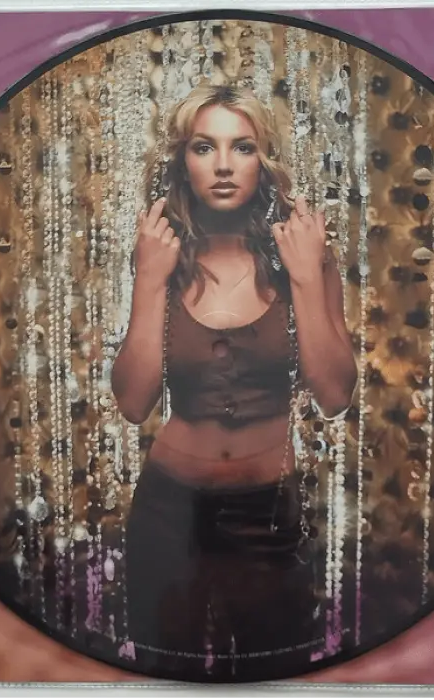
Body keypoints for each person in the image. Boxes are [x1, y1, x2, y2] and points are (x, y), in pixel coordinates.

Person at [110, 84, 358, 681]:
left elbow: (333, 396)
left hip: (268, 515)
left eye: (242, 146)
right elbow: (135, 403)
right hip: (169, 513)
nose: (223, 164)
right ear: (183, 161)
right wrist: (148, 280)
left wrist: (306, 277)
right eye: (205, 147)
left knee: (275, 678)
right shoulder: (161, 256)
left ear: (263, 159)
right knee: (165, 679)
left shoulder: (305, 255)